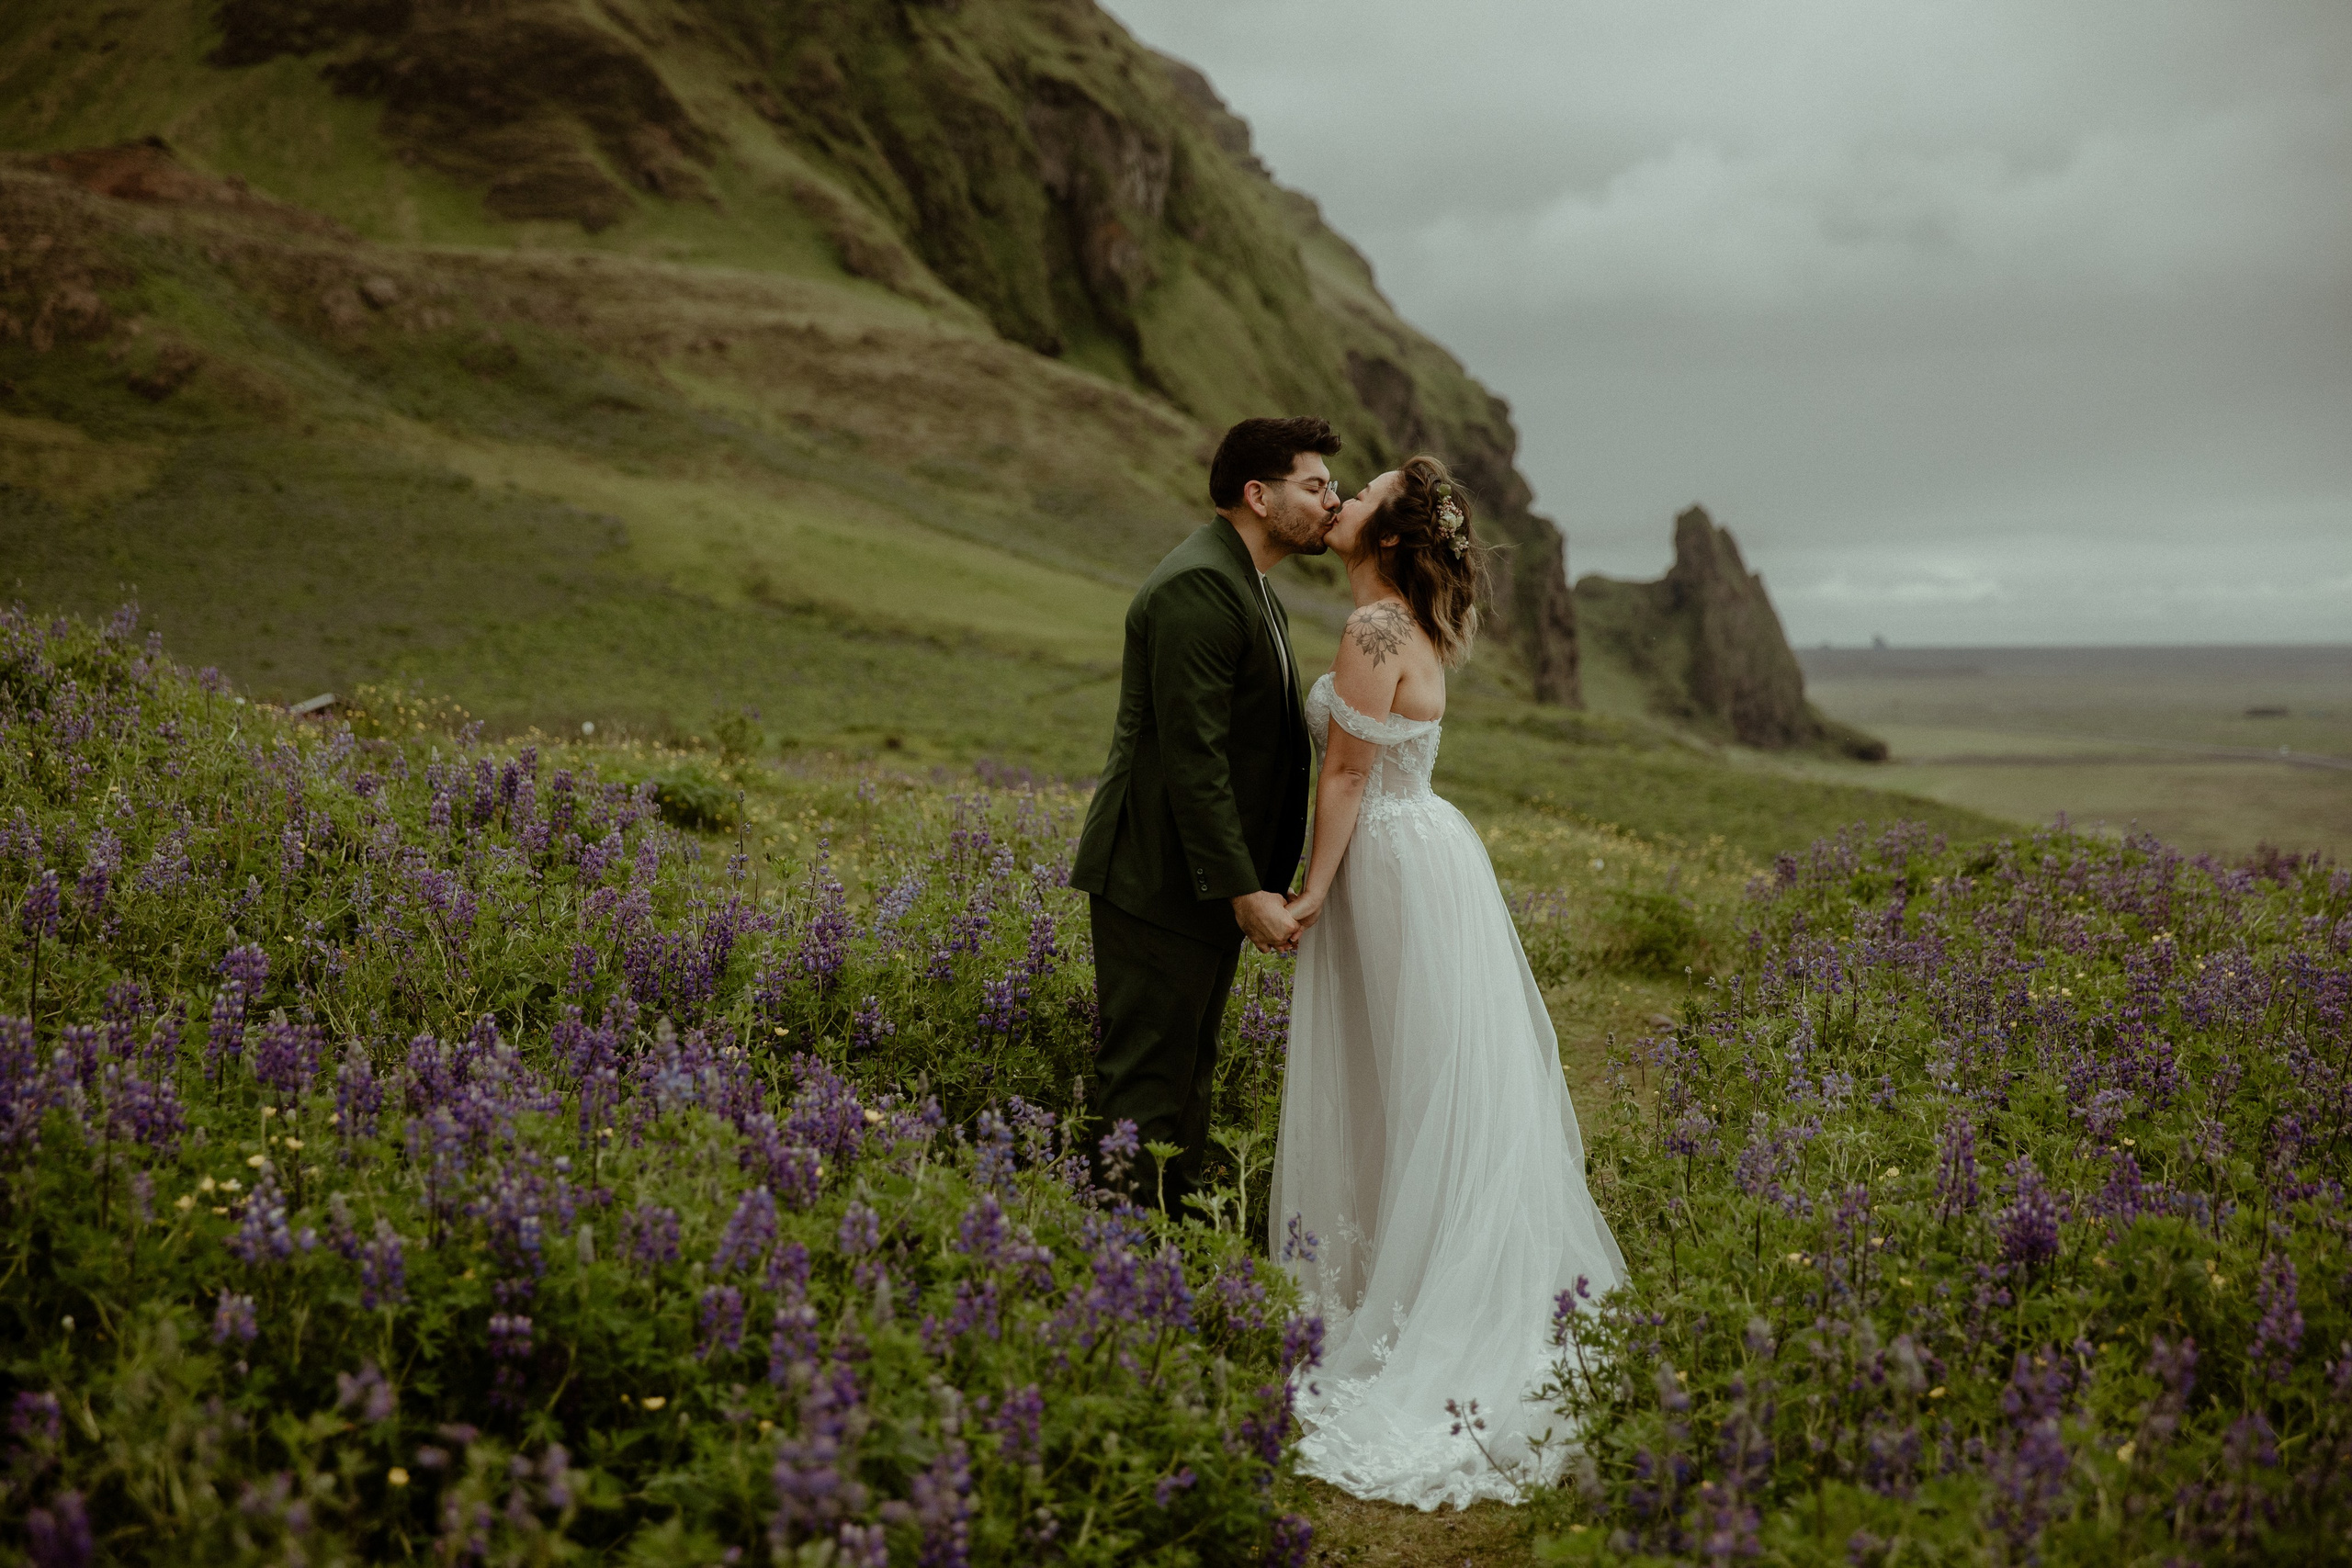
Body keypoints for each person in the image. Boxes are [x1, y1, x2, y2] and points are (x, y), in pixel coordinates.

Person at [1269, 455, 1628, 1510]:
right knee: (1414, 1074)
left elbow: (1344, 773)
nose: (1340, 502)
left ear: (1387, 533)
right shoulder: (1399, 623)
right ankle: (1405, 1276)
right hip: (1418, 853)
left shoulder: (1377, 630)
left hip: (1386, 862)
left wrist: (1308, 892)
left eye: (1361, 495)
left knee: (1409, 1074)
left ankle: (1418, 1298)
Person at [1071, 415, 1340, 1212]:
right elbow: (1195, 757)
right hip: (1155, 876)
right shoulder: (1199, 585)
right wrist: (1242, 887)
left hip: (1192, 880)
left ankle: (1166, 1262)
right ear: (1258, 495)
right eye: (1315, 485)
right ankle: (1117, 1264)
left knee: (1186, 1076)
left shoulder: (1245, 580)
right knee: (1149, 1083)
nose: (1333, 500)